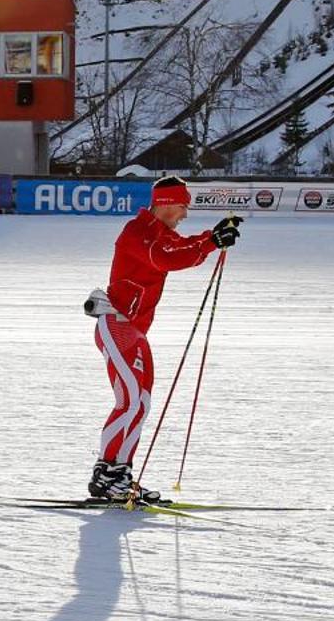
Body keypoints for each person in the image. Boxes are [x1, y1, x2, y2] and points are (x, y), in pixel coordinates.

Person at [83, 176, 241, 503]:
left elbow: (180, 248)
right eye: (183, 205)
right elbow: (166, 258)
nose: (185, 213)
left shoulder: (162, 235)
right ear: (167, 203)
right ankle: (106, 474)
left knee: (140, 404)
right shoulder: (136, 232)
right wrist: (211, 241)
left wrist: (213, 238)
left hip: (135, 331)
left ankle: (120, 475)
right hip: (116, 323)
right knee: (128, 402)